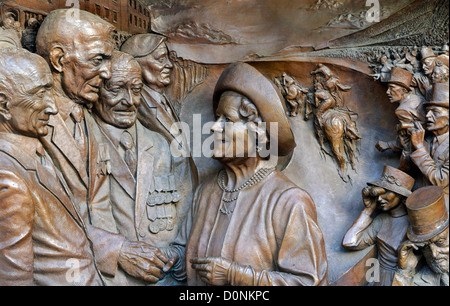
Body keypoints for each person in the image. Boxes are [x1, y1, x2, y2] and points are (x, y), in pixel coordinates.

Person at [35, 9, 166, 284]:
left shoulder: (89, 118)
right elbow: (43, 219)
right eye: (98, 59)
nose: (106, 72)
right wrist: (116, 250)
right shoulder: (34, 126)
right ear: (59, 60)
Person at [186, 62, 328, 286]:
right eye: (216, 118)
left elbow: (309, 283)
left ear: (259, 134)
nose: (214, 128)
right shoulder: (206, 192)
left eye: (228, 120)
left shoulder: (289, 201)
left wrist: (237, 277)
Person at [0, 48, 103, 285]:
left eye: (50, 91)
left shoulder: (30, 156)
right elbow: (13, 278)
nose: (53, 108)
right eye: (39, 94)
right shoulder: (8, 179)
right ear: (4, 106)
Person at [90, 51, 194, 285]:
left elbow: (185, 206)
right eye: (116, 89)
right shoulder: (85, 143)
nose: (129, 100)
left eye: (136, 90)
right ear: (96, 89)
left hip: (166, 277)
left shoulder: (160, 145)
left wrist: (178, 251)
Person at [121, 33, 199, 190]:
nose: (170, 65)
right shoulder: (136, 106)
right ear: (136, 64)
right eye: (161, 58)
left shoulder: (162, 100)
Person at [342, 166, 414, 286]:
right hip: (377, 278)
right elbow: (349, 242)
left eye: (386, 192)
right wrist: (368, 210)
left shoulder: (412, 224)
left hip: (400, 280)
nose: (379, 198)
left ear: (401, 195)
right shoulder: (381, 220)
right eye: (379, 192)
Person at [392, 186, 448, 286]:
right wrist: (404, 271)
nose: (434, 254)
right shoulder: (422, 281)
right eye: (425, 247)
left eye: (440, 242)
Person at [376, 67, 426, 170]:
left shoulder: (402, 110)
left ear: (403, 90)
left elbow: (409, 143)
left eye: (392, 88)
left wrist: (389, 144)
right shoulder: (417, 99)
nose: (387, 92)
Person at [409, 82, 449, 208]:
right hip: (417, 202)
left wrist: (420, 149)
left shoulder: (421, 143)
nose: (428, 116)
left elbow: (440, 180)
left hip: (442, 207)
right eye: (427, 111)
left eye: (434, 112)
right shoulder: (425, 139)